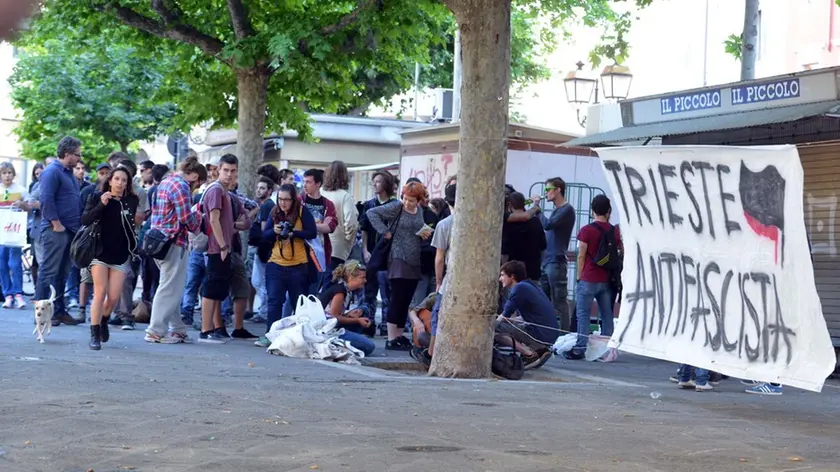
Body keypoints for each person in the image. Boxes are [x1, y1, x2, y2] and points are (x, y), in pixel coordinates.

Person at [144, 156, 206, 344]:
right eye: (199, 183)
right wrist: (198, 218)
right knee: (169, 287)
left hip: (157, 240)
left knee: (173, 286)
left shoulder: (165, 182)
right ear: (194, 175)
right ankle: (155, 330)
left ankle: (178, 329)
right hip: (173, 241)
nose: (196, 188)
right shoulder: (181, 187)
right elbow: (186, 217)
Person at [366, 181, 433, 350]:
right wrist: (385, 231)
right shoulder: (396, 207)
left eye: (411, 200)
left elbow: (417, 228)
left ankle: (399, 334)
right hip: (397, 257)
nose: (407, 203)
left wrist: (424, 233)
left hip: (414, 258)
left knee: (406, 299)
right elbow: (371, 213)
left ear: (418, 200)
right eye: (405, 198)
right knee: (396, 297)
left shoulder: (420, 211)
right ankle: (391, 337)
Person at [81, 167, 139, 350]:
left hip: (120, 254)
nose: (120, 183)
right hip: (100, 252)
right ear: (110, 181)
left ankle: (104, 320)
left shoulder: (131, 200)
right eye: (117, 179)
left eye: (124, 180)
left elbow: (130, 225)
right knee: (100, 292)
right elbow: (85, 220)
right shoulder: (98, 196)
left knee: (113, 298)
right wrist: (102, 205)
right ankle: (94, 333)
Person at [198, 154, 254, 344]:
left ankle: (211, 329)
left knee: (217, 289)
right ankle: (205, 330)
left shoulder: (227, 193)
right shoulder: (216, 190)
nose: (229, 174)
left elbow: (236, 221)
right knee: (211, 287)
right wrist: (222, 245)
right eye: (226, 170)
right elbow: (213, 219)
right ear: (218, 170)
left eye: (233, 171)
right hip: (217, 247)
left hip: (225, 247)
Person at [255, 183, 317, 348]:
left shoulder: (303, 212)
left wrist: (294, 233)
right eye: (280, 199)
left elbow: (312, 232)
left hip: (298, 266)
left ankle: (298, 337)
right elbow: (265, 236)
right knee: (274, 301)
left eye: (287, 200)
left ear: (294, 199)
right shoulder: (274, 212)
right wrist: (274, 231)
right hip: (276, 264)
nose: (283, 203)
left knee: (299, 304)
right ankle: (271, 335)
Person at [565, 194, 622, 360]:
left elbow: (581, 255)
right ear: (609, 211)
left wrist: (579, 276)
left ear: (592, 210)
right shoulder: (614, 231)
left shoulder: (586, 230)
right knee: (606, 315)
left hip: (589, 277)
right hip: (607, 279)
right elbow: (620, 252)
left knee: (582, 314)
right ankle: (607, 350)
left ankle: (580, 347)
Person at [35, 137, 83, 327]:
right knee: (48, 271)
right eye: (77, 154)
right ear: (67, 154)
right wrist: (56, 223)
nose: (79, 158)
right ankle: (40, 317)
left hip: (70, 230)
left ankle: (59, 312)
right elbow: (46, 199)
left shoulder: (69, 173)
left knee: (62, 273)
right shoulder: (51, 172)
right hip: (57, 230)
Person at [531, 177, 576, 332]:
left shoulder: (567, 210)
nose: (546, 193)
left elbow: (548, 225)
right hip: (547, 260)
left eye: (548, 190)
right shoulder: (558, 210)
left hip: (556, 261)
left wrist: (537, 209)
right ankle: (546, 333)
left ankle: (564, 334)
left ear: (558, 190)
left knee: (560, 302)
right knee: (544, 301)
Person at [496, 261, 557, 370]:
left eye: (502, 275)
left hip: (539, 334)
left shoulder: (519, 288)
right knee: (507, 325)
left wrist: (491, 322)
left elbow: (503, 317)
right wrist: (511, 321)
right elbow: (527, 317)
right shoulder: (531, 285)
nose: (500, 279)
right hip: (550, 335)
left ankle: (529, 354)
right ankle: (540, 349)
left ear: (512, 276)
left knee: (493, 329)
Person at [359, 171, 398, 335]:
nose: (375, 184)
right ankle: (369, 325)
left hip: (389, 253)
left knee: (388, 291)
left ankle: (385, 326)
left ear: (386, 184)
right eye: (373, 182)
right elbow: (364, 229)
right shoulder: (369, 204)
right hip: (372, 251)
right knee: (369, 289)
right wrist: (365, 250)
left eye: (379, 181)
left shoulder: (395, 204)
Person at [317, 260, 376, 355]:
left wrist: (348, 314)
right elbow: (333, 318)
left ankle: (352, 338)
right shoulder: (340, 291)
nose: (365, 281)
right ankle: (339, 343)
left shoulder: (347, 290)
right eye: (362, 278)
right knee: (369, 346)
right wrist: (357, 320)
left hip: (333, 325)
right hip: (328, 331)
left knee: (363, 309)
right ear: (351, 277)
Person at [320, 160, 359, 284]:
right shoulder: (345, 196)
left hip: (317, 244)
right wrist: (349, 239)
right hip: (337, 247)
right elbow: (351, 222)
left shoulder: (319, 192)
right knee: (331, 282)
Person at [0, 161, 30, 308]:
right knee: (2, 264)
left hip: (14, 232)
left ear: (13, 174)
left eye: (9, 172)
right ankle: (7, 294)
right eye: (4, 173)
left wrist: (23, 205)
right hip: (1, 233)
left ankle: (18, 293)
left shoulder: (21, 190)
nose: (7, 175)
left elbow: (30, 207)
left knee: (15, 263)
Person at [249, 176, 276, 325]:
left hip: (263, 248)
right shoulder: (263, 205)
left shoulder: (267, 206)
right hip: (261, 247)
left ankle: (264, 311)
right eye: (258, 188)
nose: (259, 190)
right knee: (258, 280)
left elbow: (265, 229)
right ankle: (263, 310)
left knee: (259, 281)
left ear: (269, 191)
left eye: (263, 188)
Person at [505, 192, 547, 282]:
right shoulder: (536, 222)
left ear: (509, 205)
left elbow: (504, 252)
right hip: (533, 273)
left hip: (512, 275)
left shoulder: (506, 223)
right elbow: (543, 246)